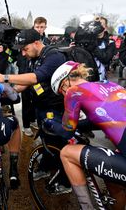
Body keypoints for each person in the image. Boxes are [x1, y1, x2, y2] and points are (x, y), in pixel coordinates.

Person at [0, 29, 72, 194]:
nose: (23, 53)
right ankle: (47, 167)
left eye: (25, 49)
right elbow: (26, 82)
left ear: (37, 43)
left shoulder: (54, 56)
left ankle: (66, 182)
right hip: (41, 107)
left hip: (56, 108)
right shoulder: (34, 57)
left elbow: (35, 78)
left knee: (60, 145)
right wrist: (7, 92)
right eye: (21, 50)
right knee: (47, 140)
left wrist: (4, 77)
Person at [50, 61, 126, 210]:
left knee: (66, 153)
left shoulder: (73, 91)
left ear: (65, 83)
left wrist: (50, 123)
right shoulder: (111, 85)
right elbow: (104, 119)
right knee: (110, 176)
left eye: (61, 92)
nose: (64, 95)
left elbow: (67, 129)